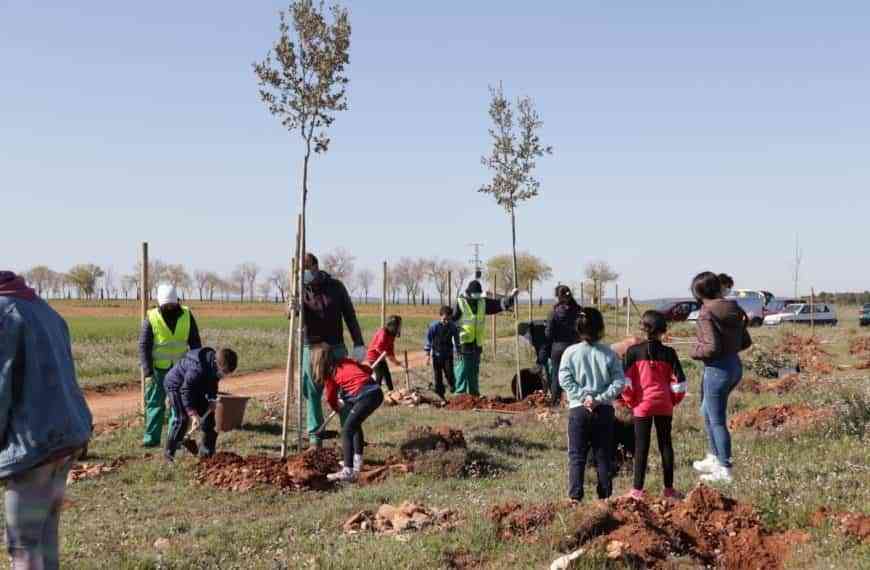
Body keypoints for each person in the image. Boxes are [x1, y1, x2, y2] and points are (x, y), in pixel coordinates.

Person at [0, 271, 92, 569]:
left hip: (35, 446)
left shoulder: (4, 314)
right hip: (66, 437)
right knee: (45, 536)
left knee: (23, 544)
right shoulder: (44, 308)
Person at [293, 253, 367, 448]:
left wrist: (358, 342)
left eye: (309, 271)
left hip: (335, 347)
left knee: (344, 392)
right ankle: (315, 437)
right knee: (312, 392)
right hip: (311, 347)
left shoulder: (336, 287)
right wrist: (291, 307)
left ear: (317, 268)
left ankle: (348, 433)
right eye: (302, 273)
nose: (307, 276)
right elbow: (290, 314)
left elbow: (350, 315)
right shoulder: (299, 289)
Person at [559, 307, 627, 502]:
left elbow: (564, 379)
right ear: (601, 328)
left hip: (578, 410)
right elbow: (619, 381)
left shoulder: (570, 352)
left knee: (576, 455)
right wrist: (600, 398)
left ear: (578, 329)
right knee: (603, 454)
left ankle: (575, 497)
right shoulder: (609, 354)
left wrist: (582, 397)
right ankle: (605, 497)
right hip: (604, 410)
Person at [690, 271, 752, 484]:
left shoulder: (706, 312)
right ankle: (715, 458)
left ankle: (724, 468)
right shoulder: (735, 308)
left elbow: (711, 348)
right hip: (734, 365)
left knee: (716, 421)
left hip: (717, 369)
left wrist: (695, 351)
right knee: (707, 412)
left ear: (698, 291)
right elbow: (745, 342)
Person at [620, 311, 687, 500]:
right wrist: (673, 400)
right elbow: (680, 383)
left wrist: (631, 401)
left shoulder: (633, 352)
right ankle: (669, 489)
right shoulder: (670, 353)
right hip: (664, 405)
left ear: (643, 328)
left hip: (642, 406)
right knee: (666, 445)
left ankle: (637, 490)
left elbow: (624, 382)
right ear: (663, 331)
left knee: (641, 448)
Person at [309, 344, 384, 483]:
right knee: (354, 425)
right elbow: (366, 370)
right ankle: (357, 461)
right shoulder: (346, 361)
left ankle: (348, 471)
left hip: (365, 396)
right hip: (375, 391)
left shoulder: (330, 375)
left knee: (346, 431)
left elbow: (331, 398)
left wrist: (337, 406)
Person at [139, 283, 202, 448]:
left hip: (181, 369)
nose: (169, 308)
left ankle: (174, 439)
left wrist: (196, 365)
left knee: (179, 405)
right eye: (166, 305)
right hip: (158, 370)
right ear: (159, 303)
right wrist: (147, 371)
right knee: (155, 404)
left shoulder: (187, 315)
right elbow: (144, 345)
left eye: (172, 305)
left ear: (177, 302)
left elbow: (195, 342)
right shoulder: (151, 317)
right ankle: (151, 440)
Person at [164, 347, 238, 462]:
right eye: (224, 372)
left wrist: (212, 399)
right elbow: (186, 390)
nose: (225, 375)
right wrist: (193, 415)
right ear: (216, 363)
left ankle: (207, 456)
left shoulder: (215, 367)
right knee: (182, 419)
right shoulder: (197, 369)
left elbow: (213, 382)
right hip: (176, 386)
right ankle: (169, 456)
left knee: (209, 419)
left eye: (227, 373)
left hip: (196, 387)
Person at [451, 280, 518, 396]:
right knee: (462, 368)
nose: (477, 295)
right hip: (463, 342)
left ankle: (474, 394)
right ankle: (459, 393)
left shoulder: (482, 302)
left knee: (474, 369)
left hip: (476, 342)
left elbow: (499, 305)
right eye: (475, 293)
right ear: (469, 292)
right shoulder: (460, 302)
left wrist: (511, 297)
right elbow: (452, 322)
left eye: (478, 293)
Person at [540, 285, 582, 406]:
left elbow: (548, 333)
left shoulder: (553, 312)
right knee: (576, 376)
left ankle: (555, 402)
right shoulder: (579, 310)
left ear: (557, 297)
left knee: (556, 376)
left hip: (558, 349)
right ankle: (576, 402)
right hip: (575, 348)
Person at [424, 306, 461, 399]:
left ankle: (453, 387)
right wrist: (427, 355)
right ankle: (441, 396)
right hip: (436, 355)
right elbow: (428, 340)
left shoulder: (453, 327)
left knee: (449, 373)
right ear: (440, 316)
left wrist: (459, 352)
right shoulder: (434, 326)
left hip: (448, 355)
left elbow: (457, 340)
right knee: (438, 377)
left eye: (448, 319)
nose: (446, 321)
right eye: (444, 319)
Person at [366, 315, 405, 392]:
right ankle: (376, 392)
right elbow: (378, 347)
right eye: (398, 325)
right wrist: (387, 356)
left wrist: (395, 360)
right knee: (379, 375)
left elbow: (390, 349)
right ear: (393, 325)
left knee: (387, 374)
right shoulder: (383, 333)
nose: (399, 327)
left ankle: (391, 391)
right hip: (373, 357)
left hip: (381, 357)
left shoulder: (391, 335)